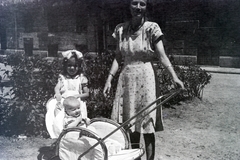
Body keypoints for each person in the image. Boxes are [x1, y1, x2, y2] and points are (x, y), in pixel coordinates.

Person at [103, 0, 184, 160]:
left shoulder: (152, 28)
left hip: (146, 78)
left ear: (147, 7)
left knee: (147, 124)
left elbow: (162, 56)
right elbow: (118, 58)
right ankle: (135, 158)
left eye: (142, 4)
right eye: (134, 3)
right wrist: (109, 79)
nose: (138, 7)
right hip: (126, 78)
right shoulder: (121, 29)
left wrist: (174, 77)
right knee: (131, 123)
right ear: (128, 5)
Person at [54, 49, 89, 118]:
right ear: (65, 66)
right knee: (61, 116)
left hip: (77, 104)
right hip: (65, 102)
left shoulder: (81, 78)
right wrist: (57, 93)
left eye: (75, 66)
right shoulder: (63, 78)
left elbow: (87, 94)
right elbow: (57, 87)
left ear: (79, 67)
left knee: (78, 119)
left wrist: (78, 96)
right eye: (69, 65)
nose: (72, 68)